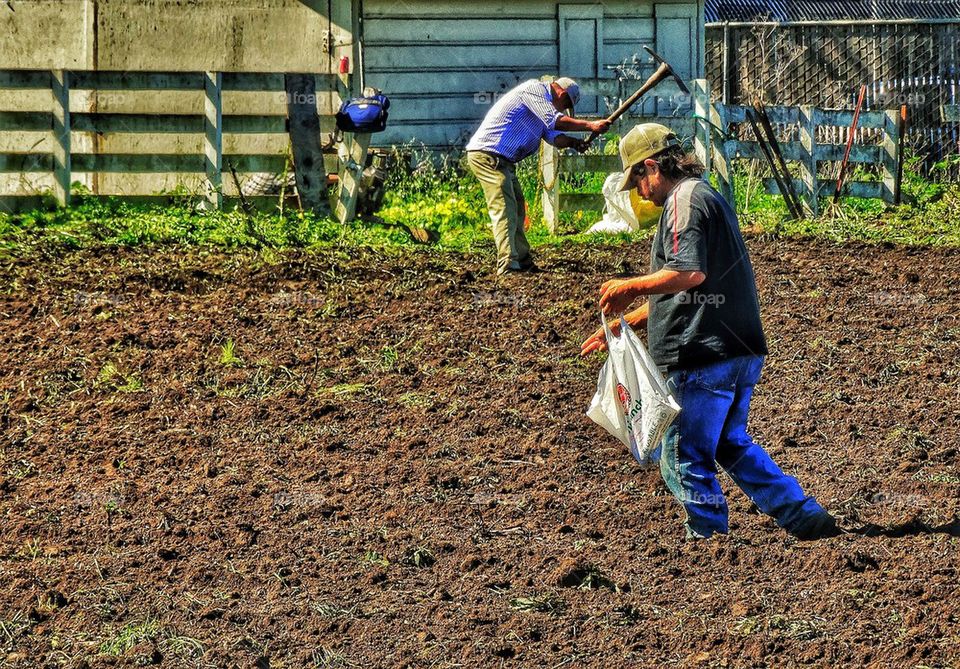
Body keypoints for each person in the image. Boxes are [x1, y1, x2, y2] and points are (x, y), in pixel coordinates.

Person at [580, 123, 838, 541]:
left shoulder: (682, 202)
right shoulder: (706, 195)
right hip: (739, 350)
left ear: (652, 167)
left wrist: (628, 286)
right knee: (728, 443)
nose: (639, 191)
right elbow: (699, 282)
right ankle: (803, 515)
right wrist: (627, 322)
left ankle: (707, 541)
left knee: (683, 454)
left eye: (638, 180)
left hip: (701, 355)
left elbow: (688, 272)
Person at [466, 77, 610, 274]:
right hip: (488, 156)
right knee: (505, 209)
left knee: (516, 208)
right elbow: (556, 121)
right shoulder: (535, 90)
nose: (562, 109)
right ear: (561, 94)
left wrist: (574, 143)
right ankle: (508, 264)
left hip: (503, 161)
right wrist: (590, 125)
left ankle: (523, 261)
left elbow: (554, 136)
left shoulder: (542, 110)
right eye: (565, 104)